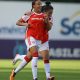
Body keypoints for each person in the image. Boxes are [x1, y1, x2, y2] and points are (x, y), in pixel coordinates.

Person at [10, 0, 54, 80]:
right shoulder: (30, 14)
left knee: (29, 58)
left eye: (40, 4)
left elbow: (48, 29)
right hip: (31, 37)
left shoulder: (47, 17)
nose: (40, 5)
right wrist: (25, 24)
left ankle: (15, 70)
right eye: (38, 4)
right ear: (33, 6)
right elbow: (18, 22)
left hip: (42, 39)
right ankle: (35, 78)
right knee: (35, 55)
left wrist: (46, 21)